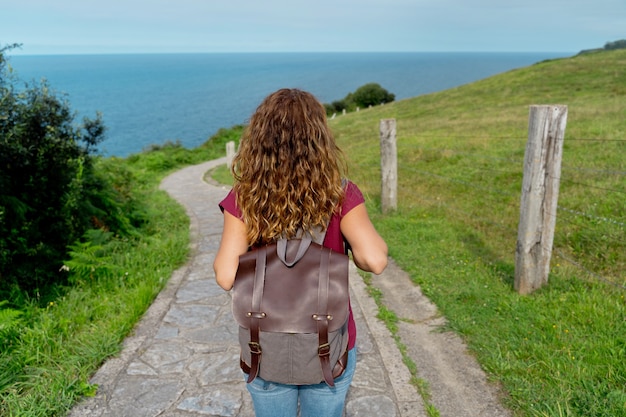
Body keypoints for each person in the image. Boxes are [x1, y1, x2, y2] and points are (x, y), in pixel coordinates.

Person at [213, 88, 388, 417]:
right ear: (320, 138)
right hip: (328, 346)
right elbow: (375, 260)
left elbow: (225, 276)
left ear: (260, 138)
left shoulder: (244, 198)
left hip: (265, 347)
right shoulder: (342, 195)